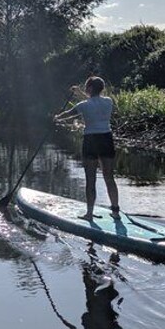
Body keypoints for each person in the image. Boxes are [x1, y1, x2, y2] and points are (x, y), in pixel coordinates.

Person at [55, 76, 120, 221]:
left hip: (91, 140)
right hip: (106, 139)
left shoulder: (83, 105)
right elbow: (93, 101)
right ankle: (115, 211)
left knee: (90, 179)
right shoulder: (108, 101)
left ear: (90, 88)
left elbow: (68, 114)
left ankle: (89, 214)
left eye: (86, 87)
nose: (85, 89)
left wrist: (57, 117)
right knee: (109, 177)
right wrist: (79, 92)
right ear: (101, 88)